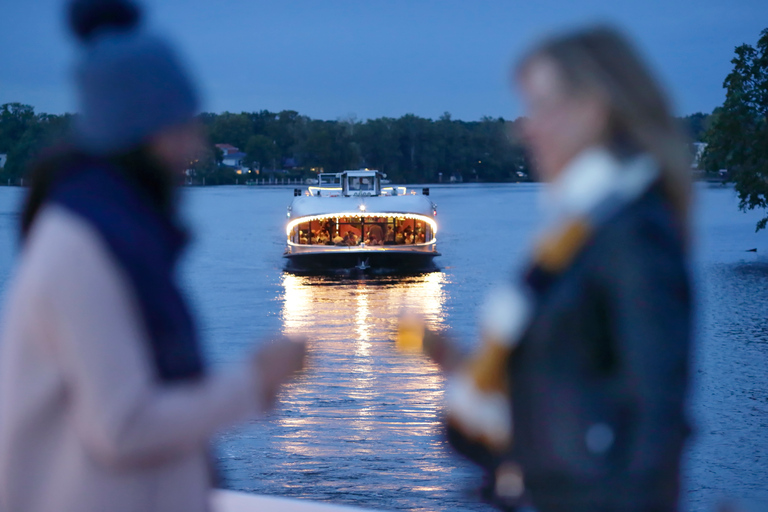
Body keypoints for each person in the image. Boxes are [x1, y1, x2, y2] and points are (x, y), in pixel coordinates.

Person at [0, 2, 306, 512]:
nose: (197, 147)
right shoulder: (82, 249)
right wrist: (255, 381)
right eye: (185, 126)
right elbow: (123, 426)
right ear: (146, 133)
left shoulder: (113, 236)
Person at [428, 26, 692, 512]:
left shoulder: (633, 237)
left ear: (593, 109)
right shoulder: (581, 233)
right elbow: (569, 396)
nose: (524, 128)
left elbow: (655, 415)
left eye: (541, 106)